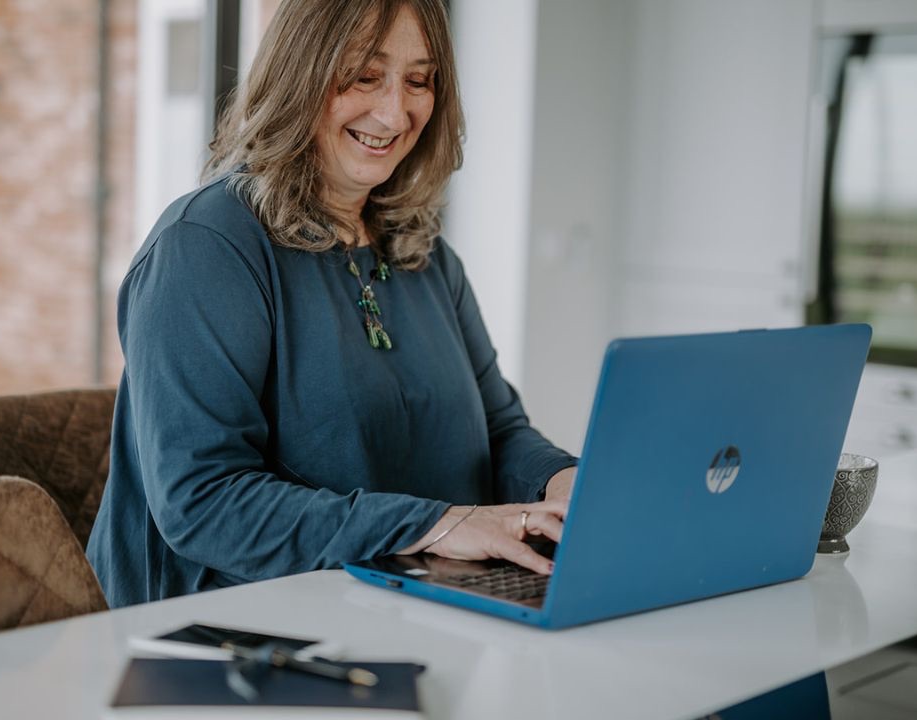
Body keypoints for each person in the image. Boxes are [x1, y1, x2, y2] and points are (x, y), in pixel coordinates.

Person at [86, 0, 578, 608]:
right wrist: (437, 523)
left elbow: (498, 432)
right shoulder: (205, 246)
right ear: (301, 73)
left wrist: (565, 482)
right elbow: (203, 502)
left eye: (418, 80)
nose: (395, 111)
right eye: (365, 76)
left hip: (411, 601)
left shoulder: (425, 254)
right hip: (226, 635)